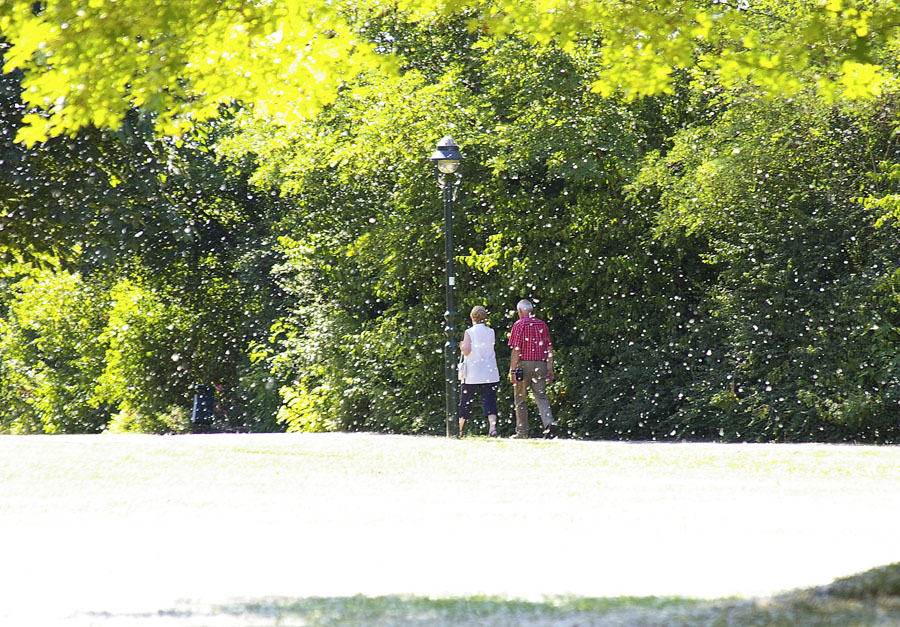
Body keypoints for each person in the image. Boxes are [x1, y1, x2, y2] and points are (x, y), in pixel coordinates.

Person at [508, 299, 557, 439]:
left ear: (519, 311)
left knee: (520, 399)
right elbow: (549, 348)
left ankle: (522, 432)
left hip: (524, 365)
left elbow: (516, 350)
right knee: (541, 397)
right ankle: (549, 423)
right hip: (541, 364)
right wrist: (549, 367)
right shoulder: (542, 324)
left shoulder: (519, 325)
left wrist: (512, 370)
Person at [458, 305, 500, 437]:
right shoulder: (491, 331)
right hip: (489, 371)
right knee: (490, 400)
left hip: (473, 372)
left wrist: (461, 346)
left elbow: (466, 351)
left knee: (466, 400)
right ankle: (492, 428)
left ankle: (459, 429)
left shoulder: (469, 332)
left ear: (472, 317)